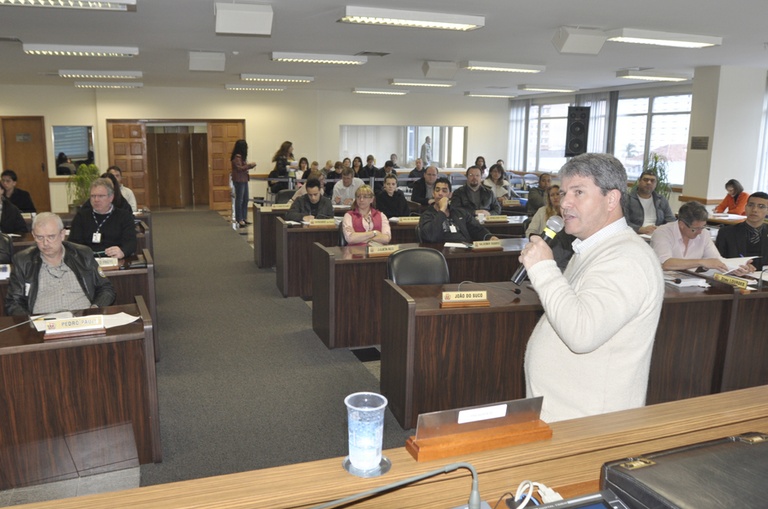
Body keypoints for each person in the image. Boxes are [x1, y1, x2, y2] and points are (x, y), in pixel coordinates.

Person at [519, 153, 664, 423]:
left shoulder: (625, 258)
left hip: (591, 425)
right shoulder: (594, 249)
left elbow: (582, 333)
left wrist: (544, 269)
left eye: (578, 192)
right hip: (570, 418)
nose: (565, 203)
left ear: (611, 199)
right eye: (563, 193)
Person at [6, 212, 115, 316]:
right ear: (34, 236)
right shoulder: (22, 261)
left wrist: (95, 309)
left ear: (62, 234)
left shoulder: (83, 254)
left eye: (51, 237)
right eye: (40, 237)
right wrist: (30, 323)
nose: (45, 243)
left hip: (83, 320)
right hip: (43, 326)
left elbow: (106, 288)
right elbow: (13, 302)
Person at [650, 201, 730, 272]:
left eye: (703, 227)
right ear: (681, 224)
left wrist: (733, 269)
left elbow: (716, 260)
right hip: (665, 283)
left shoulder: (704, 234)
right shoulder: (663, 232)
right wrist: (701, 262)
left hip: (691, 281)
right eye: (695, 229)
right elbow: (666, 263)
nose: (700, 232)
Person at [68, 178, 137, 259]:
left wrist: (122, 251)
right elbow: (73, 243)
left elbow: (131, 242)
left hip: (114, 260)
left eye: (101, 196)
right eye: (93, 196)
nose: (96, 200)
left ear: (111, 197)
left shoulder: (124, 216)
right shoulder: (81, 216)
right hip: (87, 261)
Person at [419, 177, 497, 243]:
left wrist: (489, 237)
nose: (440, 193)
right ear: (433, 194)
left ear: (450, 195)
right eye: (437, 190)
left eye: (444, 191)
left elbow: (477, 229)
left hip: (464, 251)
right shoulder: (427, 215)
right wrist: (442, 210)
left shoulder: (460, 213)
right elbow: (430, 236)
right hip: (442, 253)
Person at [524, 184, 575, 272]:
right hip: (543, 248)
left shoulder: (570, 213)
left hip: (563, 254)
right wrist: (540, 240)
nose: (555, 197)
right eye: (552, 195)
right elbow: (530, 232)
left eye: (558, 194)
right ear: (548, 198)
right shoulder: (542, 211)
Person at [716, 191, 768, 271]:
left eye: (761, 207)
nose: (754, 210)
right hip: (734, 278)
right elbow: (718, 261)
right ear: (745, 207)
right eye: (750, 205)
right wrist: (735, 266)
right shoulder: (726, 233)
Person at [230, 140, 256, 228]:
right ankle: (239, 219)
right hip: (239, 180)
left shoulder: (242, 157)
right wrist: (250, 165)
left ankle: (244, 218)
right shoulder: (237, 157)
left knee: (245, 199)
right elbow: (239, 169)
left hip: (244, 180)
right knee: (240, 200)